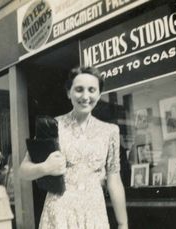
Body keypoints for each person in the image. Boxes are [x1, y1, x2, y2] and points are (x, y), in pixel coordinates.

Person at [20, 66, 128, 229]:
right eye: (79, 89)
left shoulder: (110, 131)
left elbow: (114, 180)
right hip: (59, 215)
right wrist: (45, 167)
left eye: (92, 90)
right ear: (68, 93)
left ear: (99, 94)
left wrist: (123, 223)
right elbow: (23, 170)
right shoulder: (52, 126)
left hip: (94, 215)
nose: (85, 96)